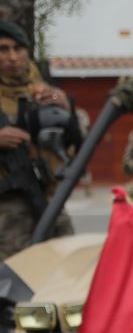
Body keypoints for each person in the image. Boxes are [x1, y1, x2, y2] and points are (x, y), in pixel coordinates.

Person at [0, 20, 84, 257]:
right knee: (14, 281)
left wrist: (67, 111)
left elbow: (79, 143)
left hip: (50, 201)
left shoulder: (43, 91)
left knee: (66, 271)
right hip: (7, 212)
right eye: (3, 49)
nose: (12, 57)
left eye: (18, 49)